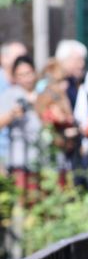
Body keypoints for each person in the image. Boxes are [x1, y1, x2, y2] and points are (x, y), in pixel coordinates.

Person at [0, 56, 43, 191]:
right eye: (21, 75)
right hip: (20, 159)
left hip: (44, 159)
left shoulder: (44, 92)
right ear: (15, 77)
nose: (26, 78)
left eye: (29, 73)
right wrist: (12, 114)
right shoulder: (10, 95)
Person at [53, 39, 88, 107]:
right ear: (64, 60)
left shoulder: (76, 81)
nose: (82, 64)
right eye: (78, 60)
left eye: (83, 60)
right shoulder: (51, 80)